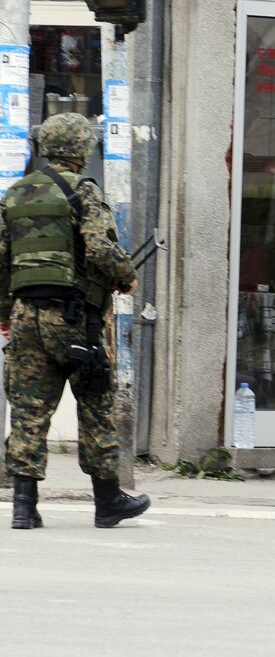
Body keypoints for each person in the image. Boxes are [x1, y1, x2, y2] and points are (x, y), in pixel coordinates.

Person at [0, 112, 150, 529]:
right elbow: (99, 247)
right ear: (81, 148)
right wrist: (126, 276)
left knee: (29, 409)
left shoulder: (15, 194)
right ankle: (108, 502)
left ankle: (24, 507)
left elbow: (0, 262)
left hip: (26, 316)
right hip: (73, 318)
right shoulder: (82, 192)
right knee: (97, 401)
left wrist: (3, 316)